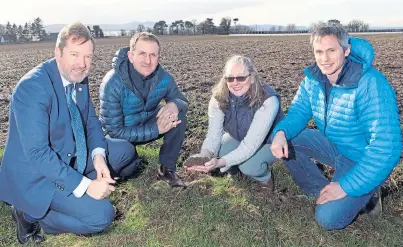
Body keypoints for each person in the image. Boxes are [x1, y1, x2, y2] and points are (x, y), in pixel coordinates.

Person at [0, 22, 137, 244]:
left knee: (125, 153)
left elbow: (91, 120)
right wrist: (86, 186)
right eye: (75, 54)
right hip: (38, 175)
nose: (82, 64)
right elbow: (38, 155)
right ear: (58, 53)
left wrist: (99, 158)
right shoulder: (32, 88)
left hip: (71, 154)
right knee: (102, 216)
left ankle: (76, 190)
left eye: (88, 56)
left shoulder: (78, 75)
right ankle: (35, 215)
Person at [270, 23, 402, 230]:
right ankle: (319, 191)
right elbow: (297, 113)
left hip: (362, 158)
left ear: (346, 50)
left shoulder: (370, 84)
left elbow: (387, 147)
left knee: (328, 220)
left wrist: (346, 186)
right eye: (319, 52)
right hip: (335, 146)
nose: (325, 58)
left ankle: (367, 189)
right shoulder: (313, 80)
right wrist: (280, 133)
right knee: (284, 137)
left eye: (331, 50)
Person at [99, 32, 188, 187]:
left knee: (177, 115)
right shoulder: (112, 82)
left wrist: (174, 104)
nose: (148, 61)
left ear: (159, 58)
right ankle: (125, 162)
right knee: (128, 167)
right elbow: (114, 130)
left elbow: (182, 101)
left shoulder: (163, 77)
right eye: (142, 54)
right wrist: (156, 129)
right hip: (120, 135)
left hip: (145, 123)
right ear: (131, 55)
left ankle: (167, 170)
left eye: (153, 55)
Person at [184, 55, 284, 189]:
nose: (235, 82)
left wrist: (220, 163)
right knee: (221, 149)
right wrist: (205, 156)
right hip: (241, 136)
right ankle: (236, 175)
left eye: (241, 77)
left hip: (272, 141)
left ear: (252, 77)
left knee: (249, 165)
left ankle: (265, 180)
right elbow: (214, 135)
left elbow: (250, 145)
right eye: (230, 78)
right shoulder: (219, 99)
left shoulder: (268, 100)